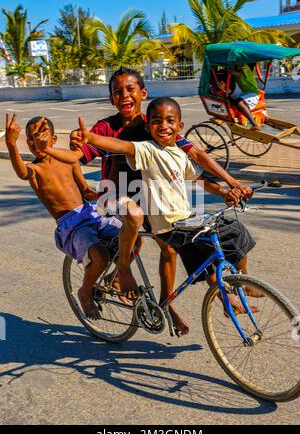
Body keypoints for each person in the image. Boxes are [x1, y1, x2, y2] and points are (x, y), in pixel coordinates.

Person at [36, 67, 253, 333]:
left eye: (130, 89)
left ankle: (167, 303)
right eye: (117, 91)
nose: (124, 95)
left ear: (143, 93)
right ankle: (124, 269)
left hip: (149, 199)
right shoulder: (106, 127)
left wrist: (230, 183)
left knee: (177, 242)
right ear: (111, 98)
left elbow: (194, 155)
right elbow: (76, 158)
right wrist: (71, 159)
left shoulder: (153, 123)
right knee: (137, 218)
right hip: (114, 197)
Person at [5, 113, 122, 320]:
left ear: (54, 139)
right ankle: (85, 291)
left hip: (90, 213)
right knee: (101, 255)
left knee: (132, 237)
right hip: (72, 226)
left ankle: (116, 278)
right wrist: (11, 144)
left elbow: (85, 190)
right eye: (30, 138)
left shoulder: (68, 160)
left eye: (41, 134)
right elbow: (22, 173)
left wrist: (106, 196)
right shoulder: (35, 169)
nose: (35, 141)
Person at [227, 65, 261, 129]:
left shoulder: (244, 66)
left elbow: (240, 73)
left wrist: (233, 72)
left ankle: (254, 124)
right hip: (244, 93)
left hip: (252, 94)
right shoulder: (237, 67)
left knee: (239, 103)